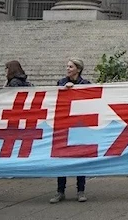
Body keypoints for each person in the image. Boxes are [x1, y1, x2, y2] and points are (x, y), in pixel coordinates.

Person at [50, 58, 91, 204]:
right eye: (67, 66)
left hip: (80, 127)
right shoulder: (61, 83)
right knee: (62, 159)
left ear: (78, 69)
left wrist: (76, 91)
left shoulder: (85, 84)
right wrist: (63, 89)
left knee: (80, 159)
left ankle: (81, 190)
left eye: (70, 66)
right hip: (63, 127)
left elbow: (90, 102)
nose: (67, 69)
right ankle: (60, 191)